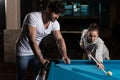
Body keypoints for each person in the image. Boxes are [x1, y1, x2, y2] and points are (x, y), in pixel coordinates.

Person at [16, 1, 71, 80]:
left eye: (59, 14)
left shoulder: (55, 23)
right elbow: (32, 40)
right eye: (56, 13)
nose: (57, 17)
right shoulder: (33, 17)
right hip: (23, 50)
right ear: (48, 10)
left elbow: (59, 39)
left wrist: (64, 55)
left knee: (40, 74)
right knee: (22, 75)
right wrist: (41, 59)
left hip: (36, 50)